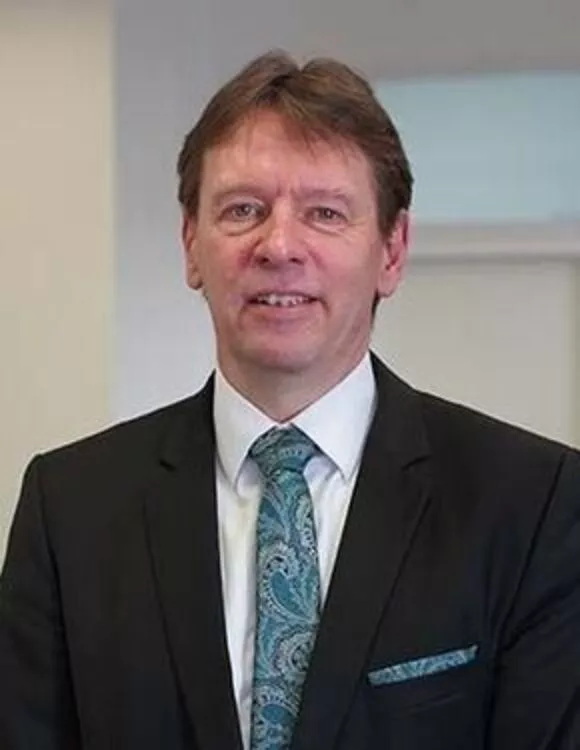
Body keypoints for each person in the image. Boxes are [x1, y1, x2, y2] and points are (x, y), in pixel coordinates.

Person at [1, 50, 580, 750]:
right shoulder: (69, 509)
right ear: (191, 245)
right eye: (243, 210)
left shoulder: (532, 503)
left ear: (392, 251)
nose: (279, 246)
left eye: (325, 213)